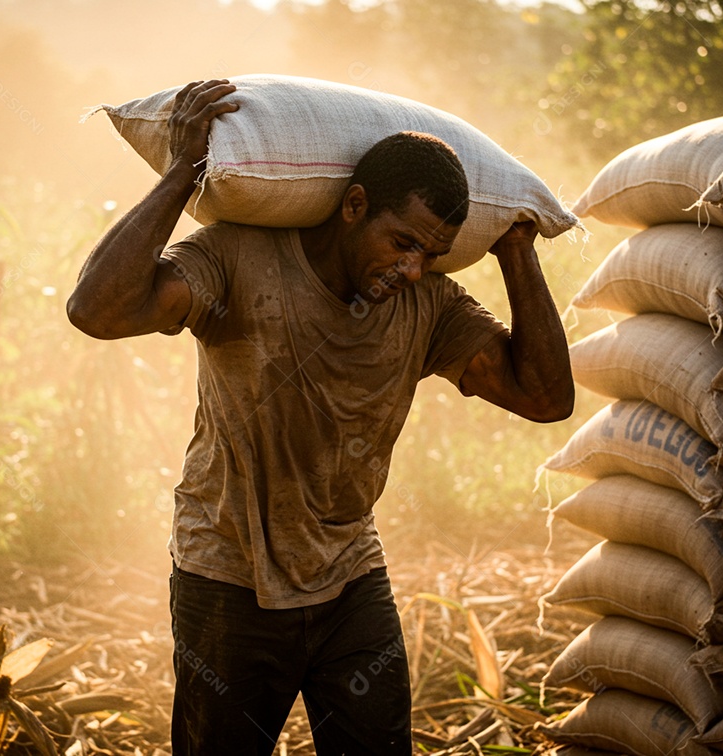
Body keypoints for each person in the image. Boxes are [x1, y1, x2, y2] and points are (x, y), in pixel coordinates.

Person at [67, 79, 574, 756]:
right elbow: (95, 311)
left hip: (350, 579)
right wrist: (184, 172)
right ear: (353, 206)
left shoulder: (428, 307)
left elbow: (546, 398)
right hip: (228, 578)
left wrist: (518, 252)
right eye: (400, 243)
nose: (412, 268)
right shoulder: (236, 257)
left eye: (429, 253)